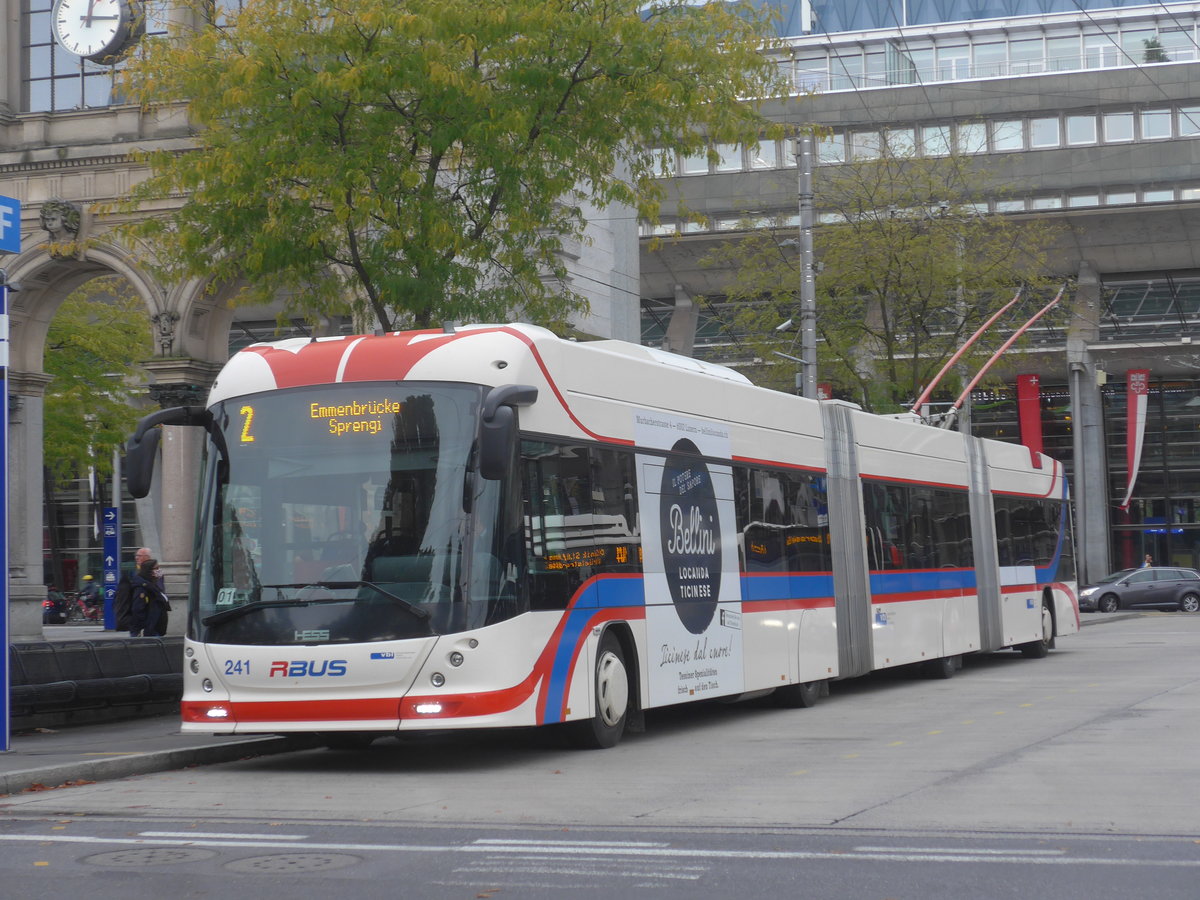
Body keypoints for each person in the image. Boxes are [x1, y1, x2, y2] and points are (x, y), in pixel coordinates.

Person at [128, 558, 170, 637]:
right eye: (156, 568)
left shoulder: (153, 585)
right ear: (149, 570)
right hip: (147, 632)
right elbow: (137, 610)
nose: (159, 570)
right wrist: (143, 629)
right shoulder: (141, 588)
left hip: (154, 629)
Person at [115, 547, 153, 631]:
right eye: (136, 555)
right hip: (136, 619)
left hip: (146, 618)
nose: (136, 558)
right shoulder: (134, 573)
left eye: (139, 555)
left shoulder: (152, 573)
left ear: (147, 557)